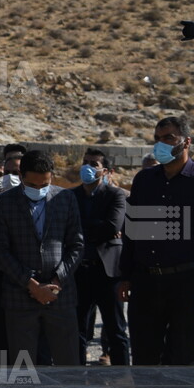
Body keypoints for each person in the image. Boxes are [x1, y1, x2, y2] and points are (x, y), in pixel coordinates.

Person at [118, 116, 194, 366]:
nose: (161, 145)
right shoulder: (144, 180)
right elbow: (132, 230)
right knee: (144, 358)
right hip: (146, 283)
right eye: (157, 139)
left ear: (186, 142)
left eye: (168, 138)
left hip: (187, 285)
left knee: (185, 359)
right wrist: (125, 275)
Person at [0, 150, 84, 366]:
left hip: (60, 296)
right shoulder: (4, 203)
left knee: (68, 364)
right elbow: (0, 251)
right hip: (20, 299)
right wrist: (31, 285)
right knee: (23, 369)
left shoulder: (65, 198)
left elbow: (76, 245)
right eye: (33, 186)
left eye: (44, 185)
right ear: (21, 177)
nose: (39, 190)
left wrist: (56, 281)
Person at [70, 148, 129, 365]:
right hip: (80, 271)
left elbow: (112, 225)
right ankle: (76, 374)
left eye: (94, 164)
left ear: (105, 171)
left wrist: (84, 230)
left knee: (116, 329)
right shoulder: (71, 195)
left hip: (108, 272)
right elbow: (67, 228)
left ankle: (123, 374)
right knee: (78, 328)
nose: (87, 167)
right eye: (85, 162)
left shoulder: (115, 195)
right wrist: (99, 228)